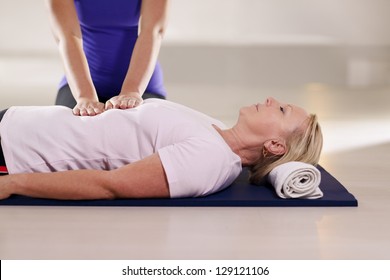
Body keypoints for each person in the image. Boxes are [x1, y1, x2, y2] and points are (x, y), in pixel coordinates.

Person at [0, 97, 323, 200]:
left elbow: (110, 185)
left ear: (275, 145)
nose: (270, 100)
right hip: (15, 120)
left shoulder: (208, 161)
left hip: (11, 150)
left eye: (281, 111)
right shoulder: (213, 128)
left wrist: (13, 184)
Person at [45, 0, 169, 116]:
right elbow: (67, 36)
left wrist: (132, 91)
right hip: (81, 84)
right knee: (72, 131)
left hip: (142, 85)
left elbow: (153, 31)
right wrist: (85, 96)